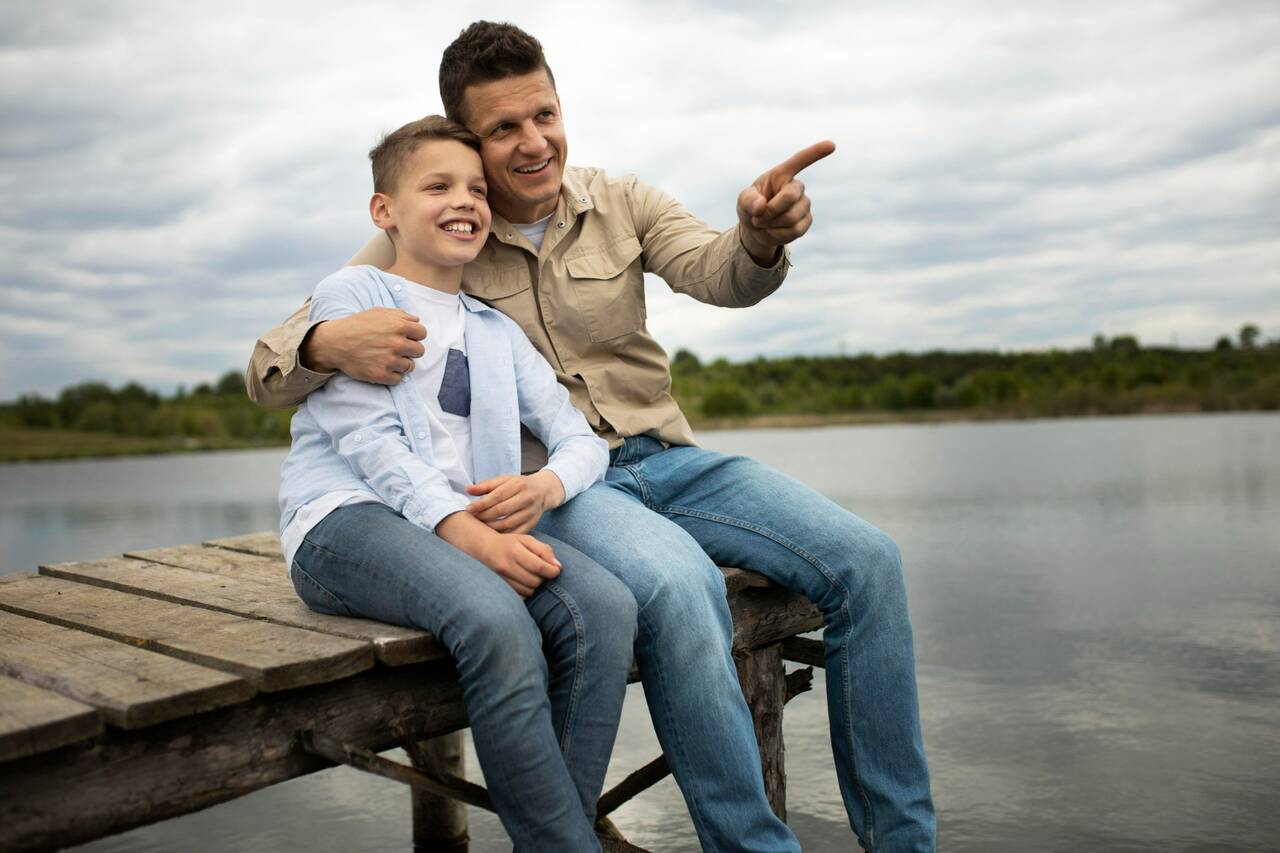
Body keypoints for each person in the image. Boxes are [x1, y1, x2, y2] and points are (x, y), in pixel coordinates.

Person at [252, 21, 935, 853]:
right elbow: (274, 362)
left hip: (669, 458)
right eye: (504, 128)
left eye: (545, 113)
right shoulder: (435, 230)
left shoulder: (622, 200)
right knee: (685, 588)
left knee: (869, 561)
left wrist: (759, 235)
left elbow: (719, 271)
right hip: (559, 490)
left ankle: (904, 841)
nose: (534, 140)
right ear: (471, 139)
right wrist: (325, 345)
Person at [278, 114, 636, 852]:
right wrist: (467, 534)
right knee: (495, 619)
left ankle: (559, 834)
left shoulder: (494, 329)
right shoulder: (354, 294)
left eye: (476, 187)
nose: (464, 200)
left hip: (461, 526)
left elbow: (580, 439)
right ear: (385, 212)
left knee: (604, 605)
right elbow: (369, 445)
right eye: (437, 185)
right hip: (346, 520)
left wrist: (545, 490)